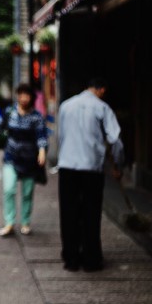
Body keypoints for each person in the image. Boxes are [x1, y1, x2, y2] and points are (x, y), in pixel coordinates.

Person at [57, 78, 124, 272]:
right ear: (101, 89)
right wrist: (119, 165)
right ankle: (91, 259)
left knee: (68, 213)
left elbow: (62, 136)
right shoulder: (102, 108)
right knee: (90, 213)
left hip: (67, 165)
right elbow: (115, 140)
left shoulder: (66, 105)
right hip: (91, 168)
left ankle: (71, 258)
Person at [0, 84, 47, 237]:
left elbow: (41, 135)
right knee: (9, 189)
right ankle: (9, 222)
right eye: (20, 95)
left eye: (26, 95)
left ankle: (26, 222)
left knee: (27, 193)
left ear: (31, 97)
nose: (23, 98)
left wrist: (41, 152)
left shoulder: (36, 116)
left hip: (29, 160)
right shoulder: (10, 112)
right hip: (11, 157)